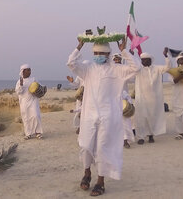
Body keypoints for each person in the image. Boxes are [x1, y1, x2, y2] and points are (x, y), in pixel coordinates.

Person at [67, 37, 141, 196]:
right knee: (86, 146)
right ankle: (87, 173)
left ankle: (100, 182)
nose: (98, 55)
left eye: (101, 53)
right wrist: (79, 46)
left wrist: (124, 51)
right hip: (89, 115)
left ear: (108, 54)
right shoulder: (88, 68)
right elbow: (71, 64)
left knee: (102, 148)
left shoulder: (117, 69)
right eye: (96, 52)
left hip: (108, 116)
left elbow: (136, 68)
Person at [134, 48, 171, 144]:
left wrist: (166, 56)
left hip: (154, 99)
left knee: (152, 117)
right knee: (141, 118)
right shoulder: (138, 69)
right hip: (141, 98)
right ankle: (141, 137)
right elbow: (131, 67)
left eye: (146, 59)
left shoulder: (157, 68)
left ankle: (150, 135)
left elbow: (168, 68)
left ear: (150, 60)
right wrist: (131, 55)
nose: (143, 61)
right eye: (142, 60)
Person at [15, 64, 43, 140]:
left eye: (30, 70)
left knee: (35, 115)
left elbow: (40, 86)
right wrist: (21, 85)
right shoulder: (19, 81)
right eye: (28, 70)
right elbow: (18, 92)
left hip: (33, 100)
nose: (30, 71)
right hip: (24, 102)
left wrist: (40, 90)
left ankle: (38, 132)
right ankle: (28, 133)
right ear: (23, 71)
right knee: (26, 117)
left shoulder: (33, 79)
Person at [112, 53, 135, 148]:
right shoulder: (110, 70)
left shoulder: (125, 69)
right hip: (111, 98)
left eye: (118, 58)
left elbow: (132, 78)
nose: (117, 60)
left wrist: (130, 58)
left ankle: (126, 140)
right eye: (115, 59)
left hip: (123, 97)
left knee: (125, 120)